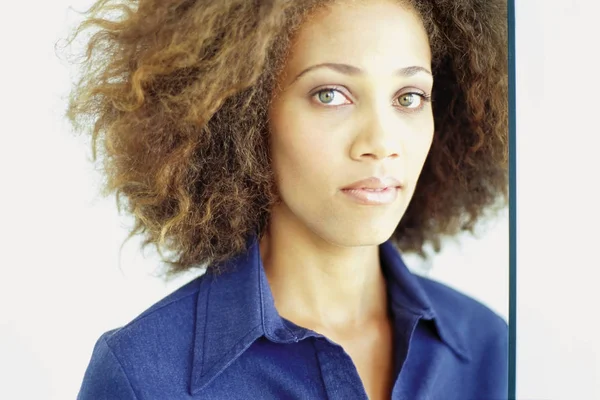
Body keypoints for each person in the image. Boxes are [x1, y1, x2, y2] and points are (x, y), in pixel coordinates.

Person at [66, 0, 508, 398]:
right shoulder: (144, 377)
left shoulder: (488, 349)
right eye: (330, 94)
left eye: (409, 97)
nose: (381, 142)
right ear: (245, 112)